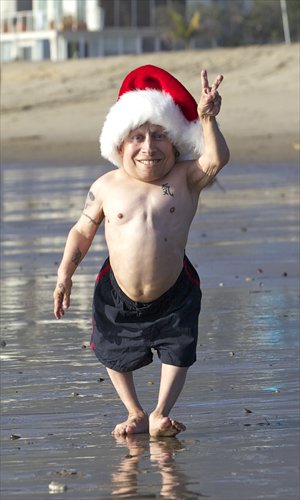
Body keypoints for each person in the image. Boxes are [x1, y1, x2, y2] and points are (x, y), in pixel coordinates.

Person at [53, 65, 229, 438]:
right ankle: (134, 411)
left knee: (178, 348)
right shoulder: (107, 185)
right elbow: (83, 230)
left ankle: (161, 413)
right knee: (112, 347)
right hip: (118, 290)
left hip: (174, 289)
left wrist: (206, 119)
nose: (148, 147)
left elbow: (216, 159)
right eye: (137, 137)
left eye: (158, 137)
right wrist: (65, 273)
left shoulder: (182, 179)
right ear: (119, 146)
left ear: (175, 144)